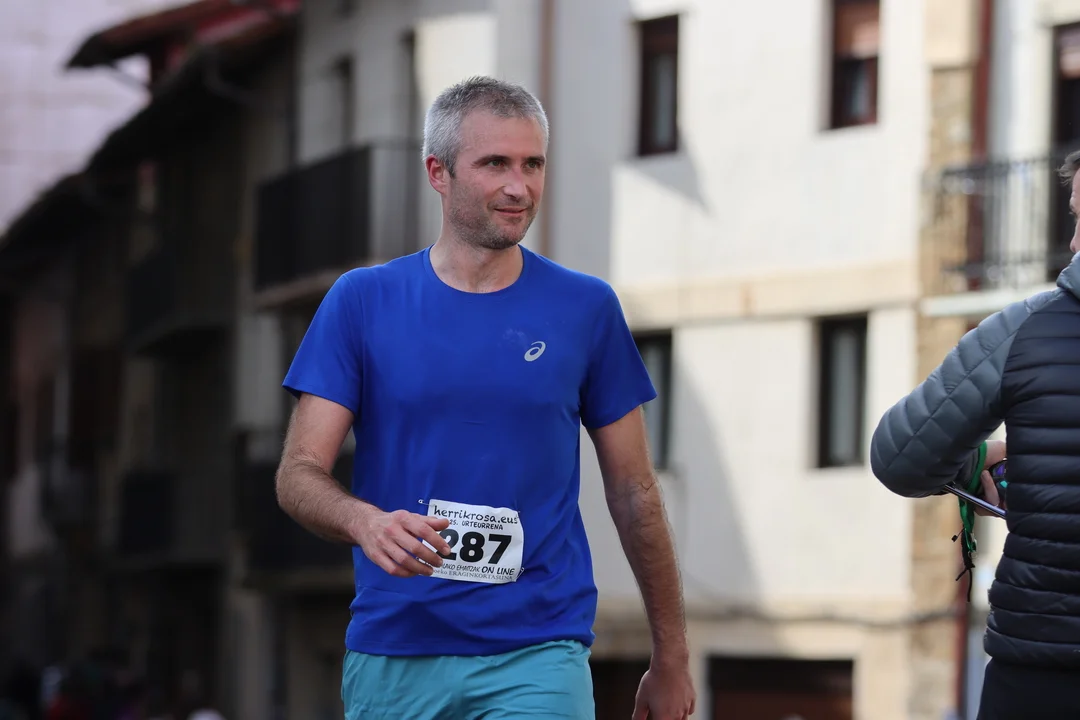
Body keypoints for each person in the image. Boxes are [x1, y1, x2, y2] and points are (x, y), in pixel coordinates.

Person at [274, 75, 696, 720]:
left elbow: (634, 490)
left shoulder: (586, 308)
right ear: (438, 173)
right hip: (396, 650)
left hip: (539, 650)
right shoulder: (362, 301)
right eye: (495, 163)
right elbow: (298, 473)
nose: (519, 187)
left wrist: (671, 656)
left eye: (533, 165)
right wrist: (365, 522)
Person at [868, 151, 1080, 719]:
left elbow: (899, 456)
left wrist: (985, 461)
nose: (1073, 243)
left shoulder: (1023, 330)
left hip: (1039, 674)